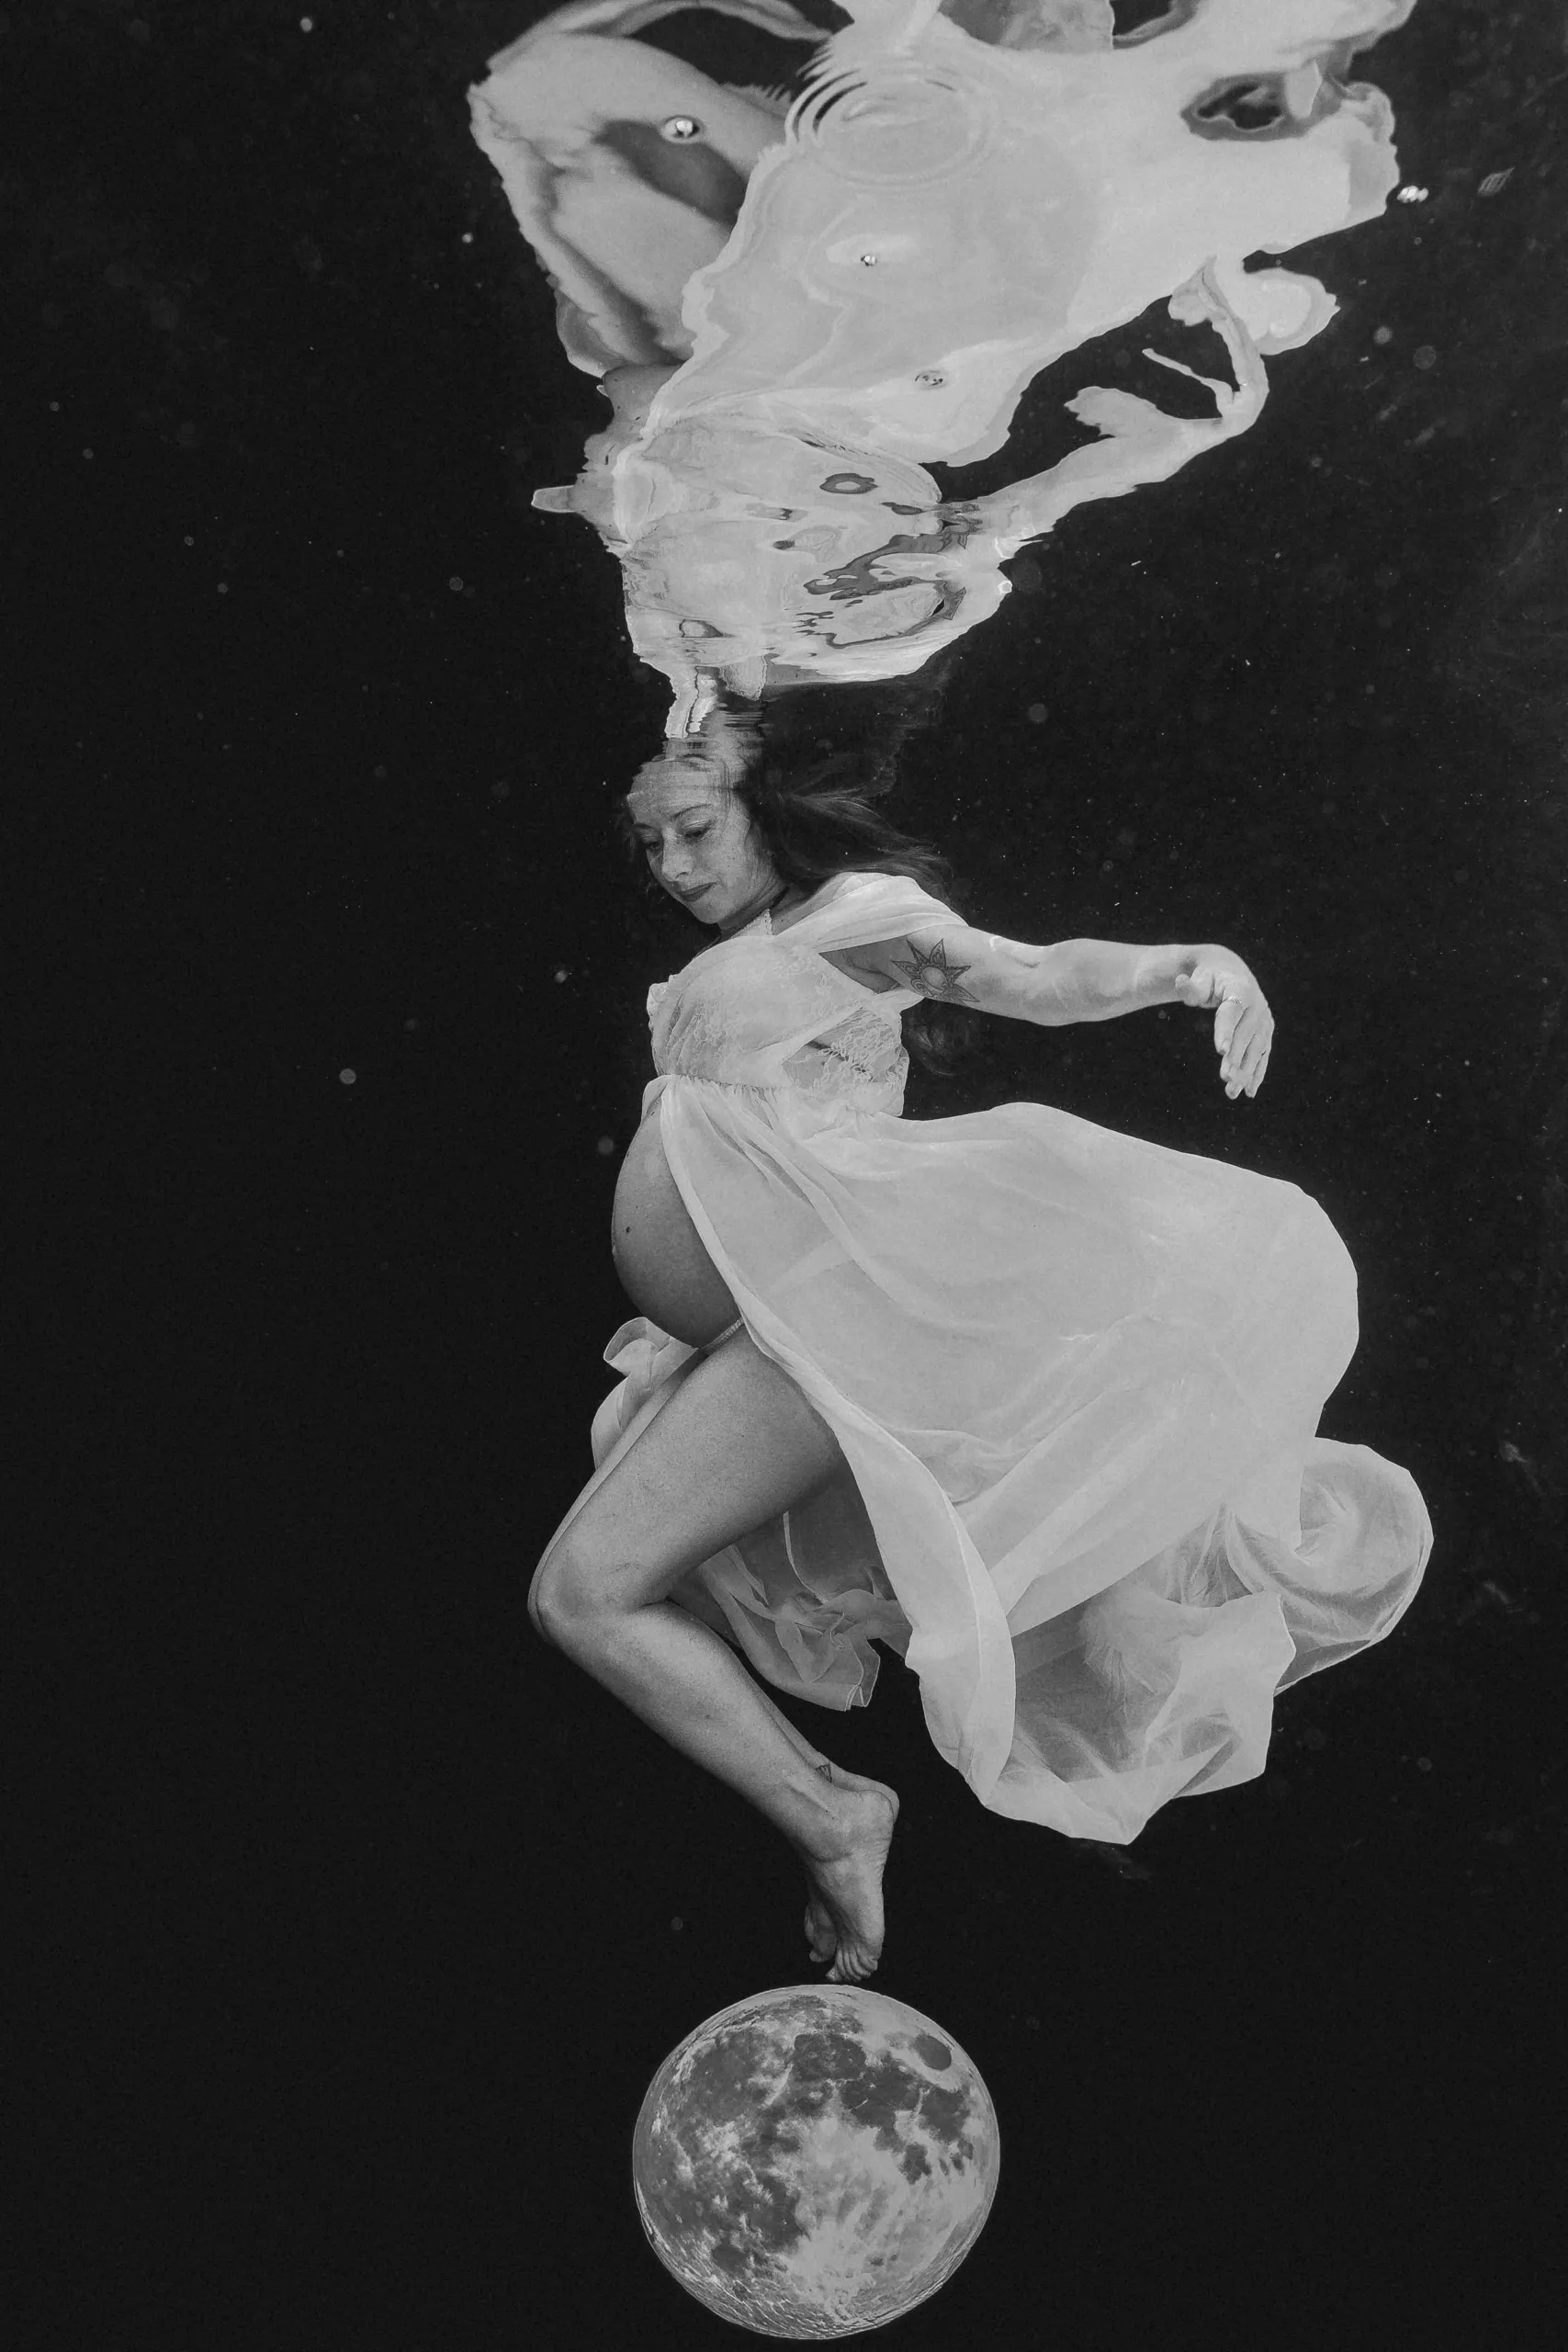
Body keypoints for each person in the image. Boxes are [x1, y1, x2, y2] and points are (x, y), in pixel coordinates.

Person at [528, 709, 1432, 1984]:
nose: (673, 865)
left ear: (770, 803)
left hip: (820, 1320)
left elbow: (1021, 973)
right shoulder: (748, 949)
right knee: (609, 1581)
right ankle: (836, 1803)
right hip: (767, 1331)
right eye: (650, 844)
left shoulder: (847, 916)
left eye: (695, 827)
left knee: (585, 1590)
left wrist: (1186, 964)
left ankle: (836, 1818)